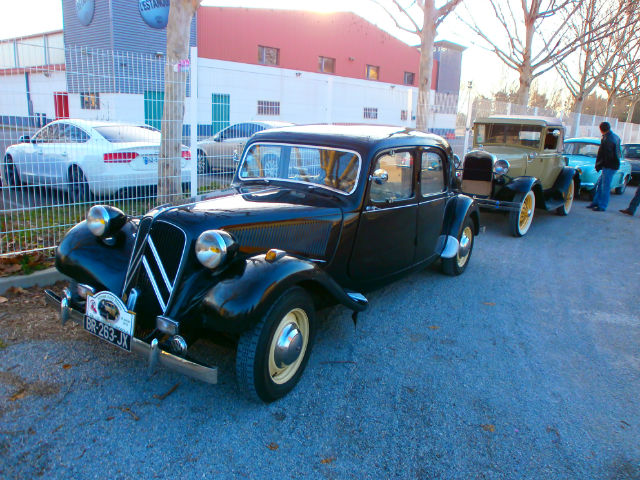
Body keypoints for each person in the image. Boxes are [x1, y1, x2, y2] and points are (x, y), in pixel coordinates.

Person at [587, 122, 621, 212]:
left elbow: (606, 155)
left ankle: (602, 205)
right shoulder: (614, 137)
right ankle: (596, 202)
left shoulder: (607, 139)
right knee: (601, 184)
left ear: (600, 129)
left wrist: (599, 165)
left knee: (604, 186)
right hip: (612, 165)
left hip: (608, 165)